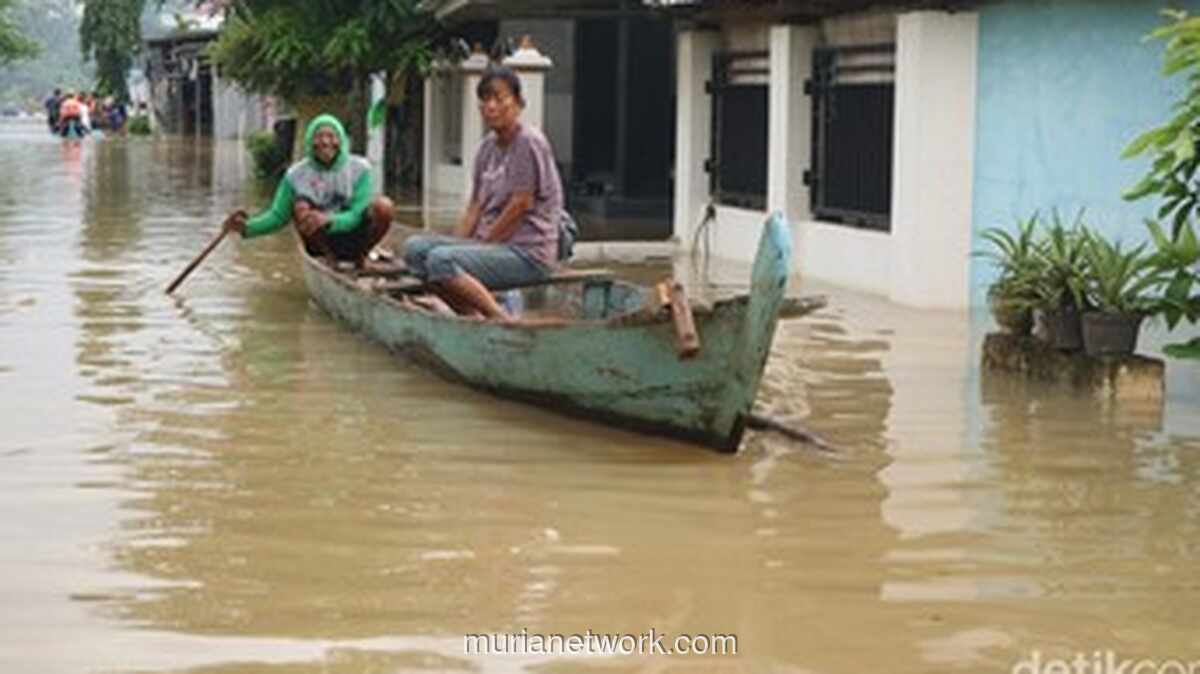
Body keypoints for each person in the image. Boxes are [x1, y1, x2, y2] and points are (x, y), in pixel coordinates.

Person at [403, 65, 563, 320]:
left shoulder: (528, 141)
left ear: (519, 102)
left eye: (499, 98)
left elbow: (520, 205)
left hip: (527, 253)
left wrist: (479, 247)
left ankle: (500, 318)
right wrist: (462, 246)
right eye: (485, 100)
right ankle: (471, 316)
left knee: (440, 261)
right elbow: (474, 208)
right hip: (493, 247)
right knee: (415, 250)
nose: (490, 106)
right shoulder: (486, 148)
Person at [222, 114, 393, 267]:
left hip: (354, 234)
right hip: (322, 241)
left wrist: (330, 220)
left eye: (331, 136)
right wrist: (246, 228)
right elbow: (278, 216)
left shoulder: (359, 168)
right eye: (319, 136)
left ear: (340, 140)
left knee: (383, 206)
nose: (325, 142)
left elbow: (357, 213)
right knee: (300, 206)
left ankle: (361, 256)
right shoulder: (296, 174)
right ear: (310, 141)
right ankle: (328, 259)